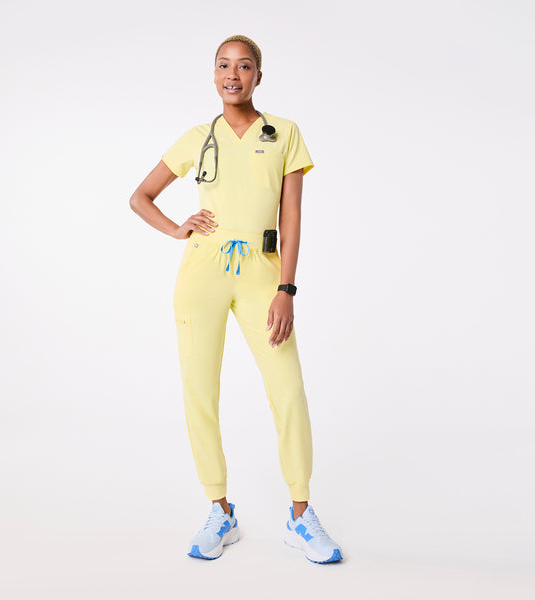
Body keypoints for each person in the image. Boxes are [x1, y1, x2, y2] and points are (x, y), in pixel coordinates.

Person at [129, 34, 343, 563]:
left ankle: (300, 515)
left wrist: (286, 288)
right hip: (202, 270)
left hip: (262, 271)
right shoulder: (197, 138)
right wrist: (177, 228)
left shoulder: (284, 133)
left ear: (258, 76)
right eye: (223, 65)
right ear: (213, 74)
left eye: (244, 66)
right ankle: (219, 509)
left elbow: (291, 216)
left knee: (287, 389)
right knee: (199, 390)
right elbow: (140, 197)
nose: (233, 74)